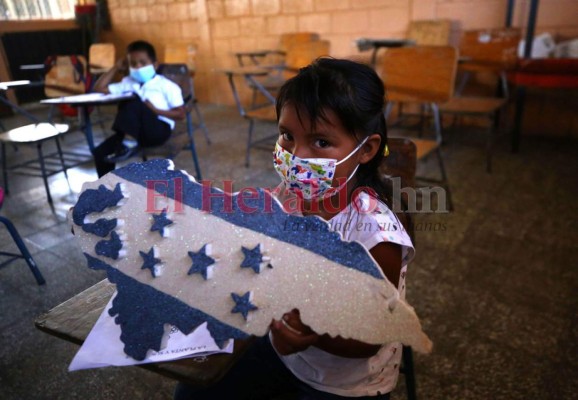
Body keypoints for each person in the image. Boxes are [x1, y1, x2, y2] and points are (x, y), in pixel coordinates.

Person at [174, 58, 415, 399]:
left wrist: (315, 331)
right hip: (281, 349)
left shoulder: (375, 233)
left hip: (344, 382)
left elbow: (372, 334)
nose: (296, 156)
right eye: (287, 135)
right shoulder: (289, 195)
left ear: (367, 149)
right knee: (194, 391)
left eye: (320, 143)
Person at [92, 40, 185, 177]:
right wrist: (116, 67)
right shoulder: (128, 82)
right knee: (100, 152)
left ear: (155, 64)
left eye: (143, 62)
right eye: (133, 64)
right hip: (134, 131)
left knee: (134, 100)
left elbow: (181, 114)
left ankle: (128, 143)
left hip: (158, 130)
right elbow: (99, 88)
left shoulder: (166, 85)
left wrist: (156, 110)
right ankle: (107, 190)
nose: (138, 67)